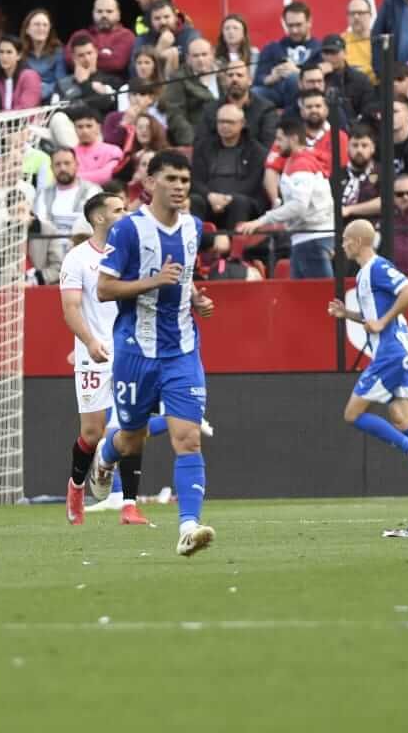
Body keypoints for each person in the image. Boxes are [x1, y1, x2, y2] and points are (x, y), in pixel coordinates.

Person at [91, 150, 217, 557]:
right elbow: (105, 289)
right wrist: (152, 282)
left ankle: (189, 526)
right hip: (135, 350)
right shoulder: (128, 230)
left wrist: (195, 298)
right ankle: (105, 456)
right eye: (172, 179)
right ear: (150, 184)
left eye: (185, 179)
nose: (180, 186)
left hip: (182, 349)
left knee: (189, 438)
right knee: (131, 438)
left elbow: (184, 276)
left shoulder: (194, 227)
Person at [328, 219, 408, 504]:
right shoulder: (364, 274)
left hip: (392, 352)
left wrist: (383, 322)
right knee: (402, 418)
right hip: (398, 351)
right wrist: (348, 316)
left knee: (352, 414)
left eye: (345, 240)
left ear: (358, 241)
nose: (342, 245)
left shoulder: (377, 267)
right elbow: (376, 318)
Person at [60, 192, 153, 527]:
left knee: (133, 426)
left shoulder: (133, 254)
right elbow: (70, 309)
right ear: (99, 218)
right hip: (93, 352)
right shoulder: (77, 259)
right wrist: (88, 341)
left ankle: (129, 505)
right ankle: (76, 487)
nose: (125, 214)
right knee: (91, 431)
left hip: (131, 351)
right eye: (118, 210)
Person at [237, 115, 336, 277]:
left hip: (311, 239)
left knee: (319, 299)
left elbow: (299, 205)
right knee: (304, 298)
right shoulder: (300, 161)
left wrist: (261, 221)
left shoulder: (301, 164)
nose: (276, 144)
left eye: (280, 139)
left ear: (294, 139)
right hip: (307, 238)